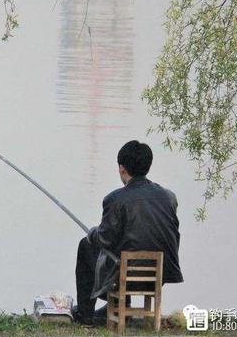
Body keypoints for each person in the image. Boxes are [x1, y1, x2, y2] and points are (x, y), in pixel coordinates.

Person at [73, 140, 183, 326]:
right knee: (127, 249)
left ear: (122, 168)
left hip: (126, 276)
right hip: (160, 275)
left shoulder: (115, 199)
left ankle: (85, 316)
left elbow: (105, 239)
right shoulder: (169, 197)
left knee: (86, 245)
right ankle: (121, 307)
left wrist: (93, 233)